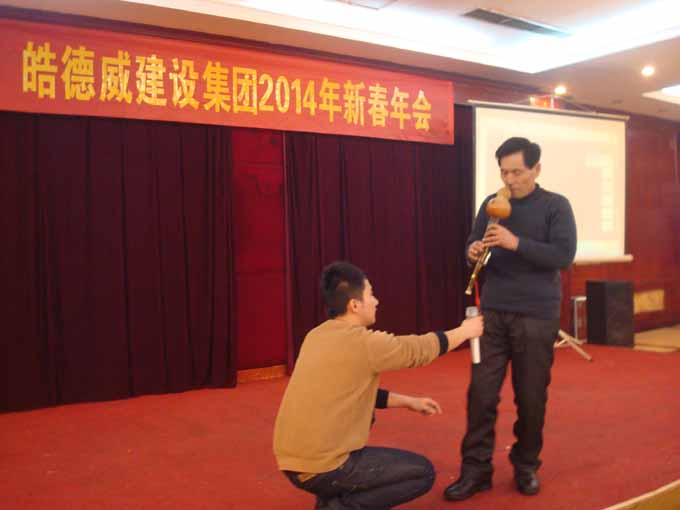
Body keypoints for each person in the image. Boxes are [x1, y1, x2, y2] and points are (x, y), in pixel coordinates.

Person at [273, 261, 484, 510]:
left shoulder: (316, 335)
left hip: (291, 461)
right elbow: (418, 350)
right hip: (322, 466)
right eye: (371, 294)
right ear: (354, 305)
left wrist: (408, 402)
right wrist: (465, 331)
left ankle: (330, 499)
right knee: (421, 474)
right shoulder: (364, 343)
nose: (376, 301)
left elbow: (349, 392)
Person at [443, 137, 577, 501]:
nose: (510, 179)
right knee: (481, 395)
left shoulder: (555, 205)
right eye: (504, 172)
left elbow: (563, 255)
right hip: (493, 314)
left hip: (536, 315)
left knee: (530, 398)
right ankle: (475, 470)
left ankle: (526, 464)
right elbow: (473, 244)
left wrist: (515, 243)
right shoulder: (492, 204)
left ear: (536, 169)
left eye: (517, 172)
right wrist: (473, 251)